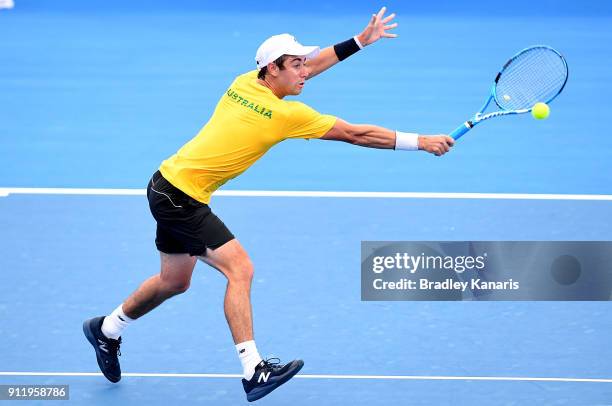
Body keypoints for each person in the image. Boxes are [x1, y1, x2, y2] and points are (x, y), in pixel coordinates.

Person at [83, 7, 454, 402]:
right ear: (273, 70)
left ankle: (106, 329)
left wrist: (360, 41)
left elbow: (313, 64)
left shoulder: (245, 82)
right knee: (240, 269)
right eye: (296, 65)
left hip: (165, 184)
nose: (305, 71)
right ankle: (253, 370)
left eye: (303, 64)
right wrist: (421, 141)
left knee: (175, 282)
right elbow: (355, 134)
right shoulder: (284, 115)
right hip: (180, 199)